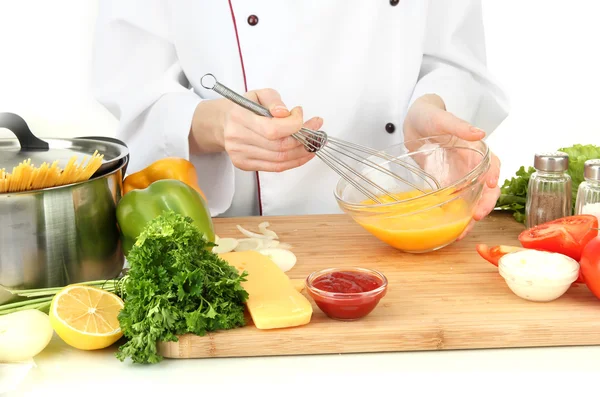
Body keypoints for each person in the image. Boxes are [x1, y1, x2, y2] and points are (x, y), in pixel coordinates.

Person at [92, 0, 509, 238]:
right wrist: (217, 124)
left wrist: (432, 111)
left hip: (402, 215)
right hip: (251, 242)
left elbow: (455, 58)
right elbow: (136, 92)